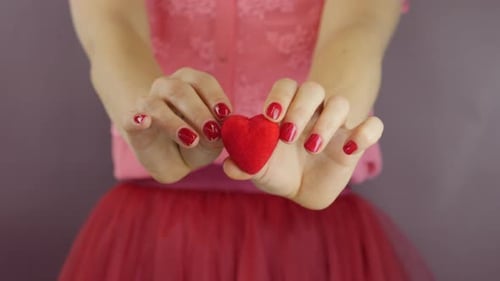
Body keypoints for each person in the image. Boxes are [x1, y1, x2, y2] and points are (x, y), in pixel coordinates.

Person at [60, 0, 432, 280]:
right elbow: (111, 28)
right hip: (156, 232)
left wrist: (322, 127)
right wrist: (149, 116)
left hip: (308, 236)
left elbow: (358, 26)